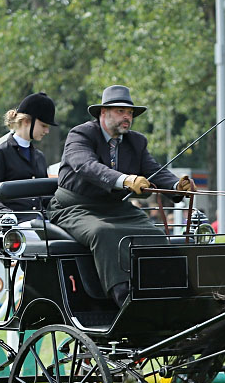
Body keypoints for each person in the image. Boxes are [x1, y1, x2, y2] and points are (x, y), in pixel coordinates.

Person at [48, 85, 193, 306]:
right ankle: (124, 297)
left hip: (116, 208)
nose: (127, 117)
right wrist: (125, 180)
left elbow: (154, 170)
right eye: (121, 111)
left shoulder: (137, 141)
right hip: (74, 208)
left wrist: (176, 185)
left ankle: (168, 294)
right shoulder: (81, 134)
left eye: (130, 113)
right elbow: (86, 166)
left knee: (156, 236)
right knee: (102, 232)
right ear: (103, 113)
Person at [0, 92, 57, 217]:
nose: (47, 131)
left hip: (41, 224)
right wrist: (5, 213)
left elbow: (45, 198)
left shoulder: (40, 157)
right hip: (14, 227)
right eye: (43, 125)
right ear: (26, 121)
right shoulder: (0, 153)